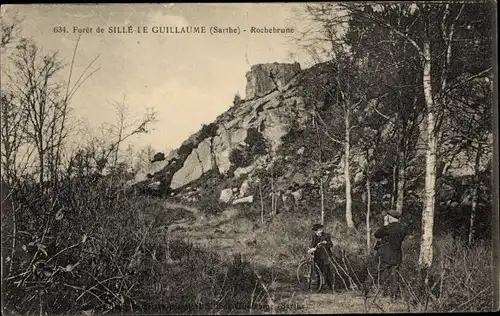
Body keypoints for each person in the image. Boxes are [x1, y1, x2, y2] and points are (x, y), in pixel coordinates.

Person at [362, 209, 407, 298]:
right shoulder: (403, 228)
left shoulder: (388, 227)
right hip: (396, 255)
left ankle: (365, 292)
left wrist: (385, 224)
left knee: (373, 272)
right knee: (394, 276)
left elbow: (377, 234)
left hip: (384, 255)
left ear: (389, 217)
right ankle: (394, 296)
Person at [307, 223, 335, 291]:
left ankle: (331, 287)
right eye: (318, 230)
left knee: (327, 271)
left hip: (325, 256)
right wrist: (311, 249)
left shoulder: (326, 235)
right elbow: (312, 244)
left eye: (320, 230)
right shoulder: (314, 236)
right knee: (318, 271)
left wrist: (326, 243)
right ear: (315, 231)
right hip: (317, 256)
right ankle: (319, 287)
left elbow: (331, 245)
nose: (319, 231)